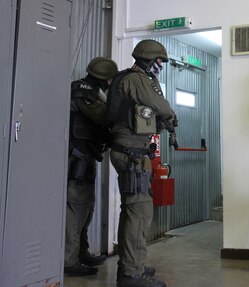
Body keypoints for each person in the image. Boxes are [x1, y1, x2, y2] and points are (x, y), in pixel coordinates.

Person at [108, 39, 178, 287]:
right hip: (131, 155)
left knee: (132, 211)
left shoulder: (131, 78)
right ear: (148, 60)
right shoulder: (137, 79)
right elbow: (162, 106)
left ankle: (130, 266)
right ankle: (131, 274)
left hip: (130, 152)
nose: (161, 65)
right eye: (159, 61)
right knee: (139, 212)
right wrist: (170, 117)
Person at [65, 57, 118, 276]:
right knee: (76, 207)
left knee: (87, 206)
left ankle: (81, 252)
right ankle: (70, 260)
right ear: (107, 78)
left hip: (86, 156)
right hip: (77, 157)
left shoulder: (95, 91)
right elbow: (101, 117)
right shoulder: (83, 91)